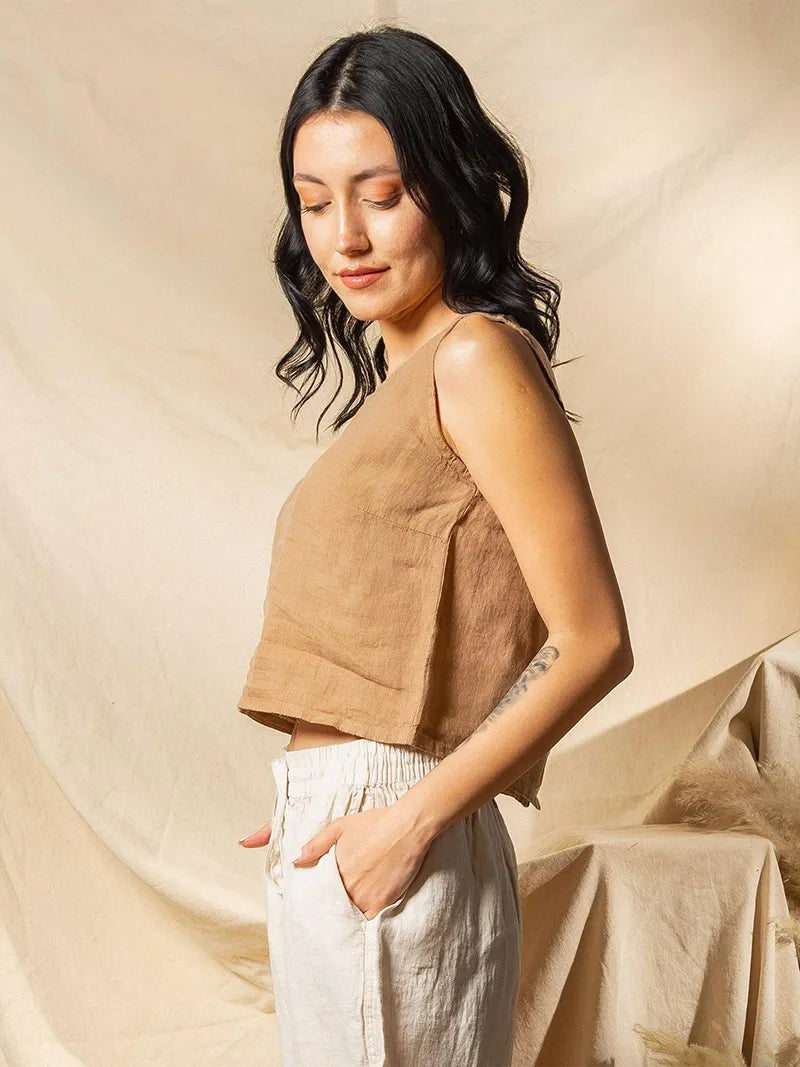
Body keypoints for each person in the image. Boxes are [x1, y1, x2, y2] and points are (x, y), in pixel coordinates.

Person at [237, 24, 634, 1067]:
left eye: (381, 190)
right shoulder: (400, 387)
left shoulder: (472, 357)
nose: (345, 238)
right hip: (344, 829)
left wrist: (401, 817)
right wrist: (313, 796)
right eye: (314, 200)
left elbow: (593, 638)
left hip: (395, 830)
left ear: (450, 187)